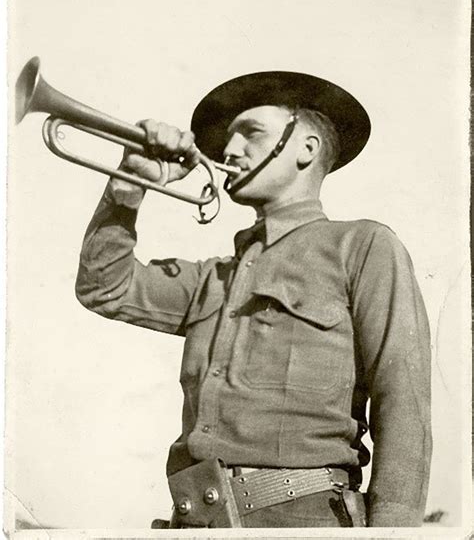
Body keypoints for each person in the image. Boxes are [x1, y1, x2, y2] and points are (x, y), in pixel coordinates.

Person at [75, 71, 432, 528]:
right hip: (197, 521)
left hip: (304, 520)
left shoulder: (362, 247)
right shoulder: (214, 277)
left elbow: (403, 402)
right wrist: (128, 185)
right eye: (229, 137)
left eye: (251, 132)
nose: (228, 150)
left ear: (306, 148)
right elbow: (103, 287)